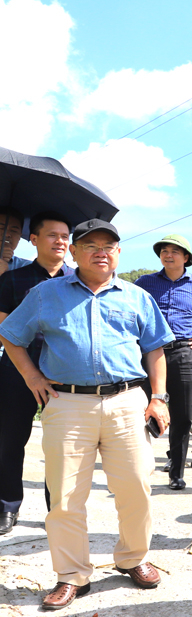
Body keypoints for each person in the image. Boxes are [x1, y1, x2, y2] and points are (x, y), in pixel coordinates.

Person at [0, 218, 173, 610]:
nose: (100, 251)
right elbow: (11, 335)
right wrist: (30, 376)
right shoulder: (45, 294)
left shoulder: (136, 296)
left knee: (135, 488)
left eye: (108, 245)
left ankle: (133, 558)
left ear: (118, 253)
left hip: (127, 400)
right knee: (64, 497)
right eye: (90, 244)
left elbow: (156, 348)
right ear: (74, 252)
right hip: (67, 403)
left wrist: (158, 397)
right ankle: (71, 574)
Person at [0, 212, 74, 536]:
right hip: (18, 371)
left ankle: (56, 510)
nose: (60, 241)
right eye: (52, 235)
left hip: (62, 375)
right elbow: (4, 328)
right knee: (10, 441)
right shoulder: (13, 278)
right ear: (34, 239)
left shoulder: (78, 281)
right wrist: (29, 373)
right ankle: (7, 505)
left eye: (65, 236)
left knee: (60, 446)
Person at [135, 235, 192, 490]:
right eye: (164, 251)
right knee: (137, 410)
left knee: (182, 415)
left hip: (183, 352)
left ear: (186, 258)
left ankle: (176, 472)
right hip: (148, 352)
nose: (168, 255)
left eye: (174, 251)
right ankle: (136, 471)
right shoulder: (144, 282)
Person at [0, 207, 29, 277]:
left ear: (20, 237)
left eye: (14, 231)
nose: (7, 234)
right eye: (1, 228)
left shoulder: (28, 268)